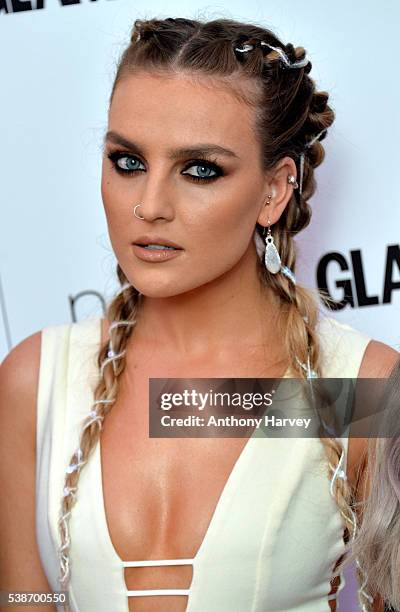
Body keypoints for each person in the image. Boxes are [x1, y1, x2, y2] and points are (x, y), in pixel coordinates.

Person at [0, 15, 398, 612]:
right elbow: (23, 596)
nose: (150, 205)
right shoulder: (37, 379)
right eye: (128, 161)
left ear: (274, 190)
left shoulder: (358, 389)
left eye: (200, 170)